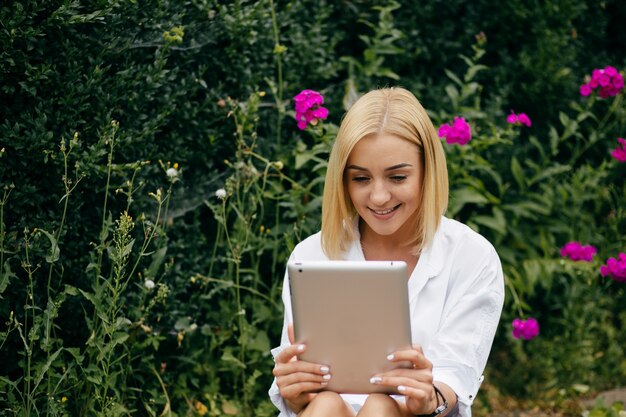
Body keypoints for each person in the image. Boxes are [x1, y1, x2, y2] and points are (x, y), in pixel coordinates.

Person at [269, 87, 504, 417]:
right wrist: (293, 389)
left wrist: (427, 397)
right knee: (325, 404)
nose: (378, 197)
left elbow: (455, 377)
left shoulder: (471, 257)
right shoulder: (311, 254)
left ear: (427, 171)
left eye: (397, 176)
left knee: (381, 407)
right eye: (361, 178)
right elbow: (302, 398)